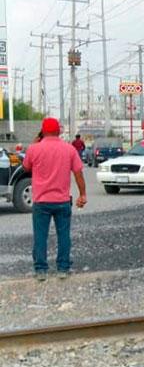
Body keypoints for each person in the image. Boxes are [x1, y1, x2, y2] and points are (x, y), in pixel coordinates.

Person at [22, 117, 87, 281]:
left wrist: (35, 143)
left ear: (42, 132)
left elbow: (26, 167)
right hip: (62, 201)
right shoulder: (69, 149)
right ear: (59, 131)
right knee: (63, 235)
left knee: (40, 236)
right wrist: (82, 194)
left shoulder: (34, 149)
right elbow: (78, 173)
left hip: (41, 201)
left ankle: (41, 270)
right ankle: (63, 269)